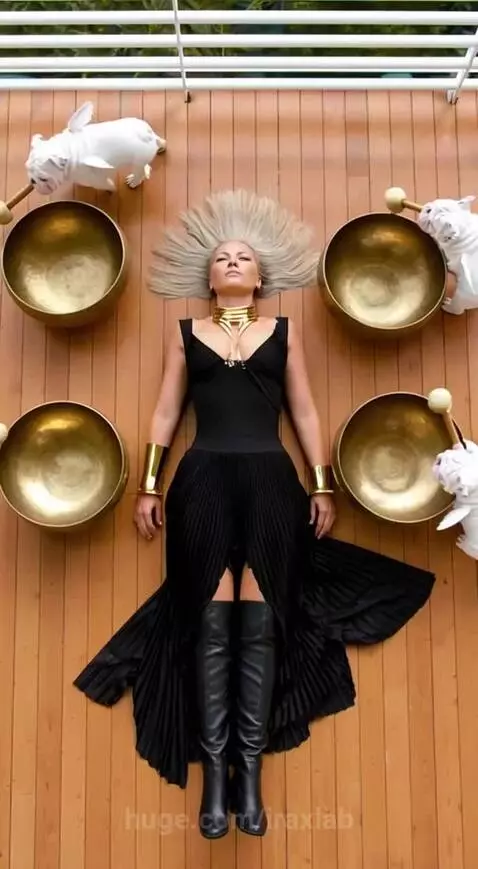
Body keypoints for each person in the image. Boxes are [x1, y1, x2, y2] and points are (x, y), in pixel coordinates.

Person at [74, 189, 435, 840]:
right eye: (222, 258)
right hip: (202, 482)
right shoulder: (186, 334)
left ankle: (250, 775)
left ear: (261, 278)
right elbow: (165, 411)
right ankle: (216, 781)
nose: (233, 261)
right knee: (212, 627)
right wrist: (148, 486)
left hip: (272, 482)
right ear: (210, 279)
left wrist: (322, 487)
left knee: (262, 626)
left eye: (243, 256)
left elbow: (306, 411)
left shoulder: (284, 334)